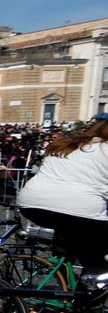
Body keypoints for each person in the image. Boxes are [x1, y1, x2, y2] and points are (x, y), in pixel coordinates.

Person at [17, 115, 108, 272]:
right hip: (77, 207)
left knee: (68, 238)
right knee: (98, 264)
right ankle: (87, 293)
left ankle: (63, 282)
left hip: (31, 202)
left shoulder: (67, 144)